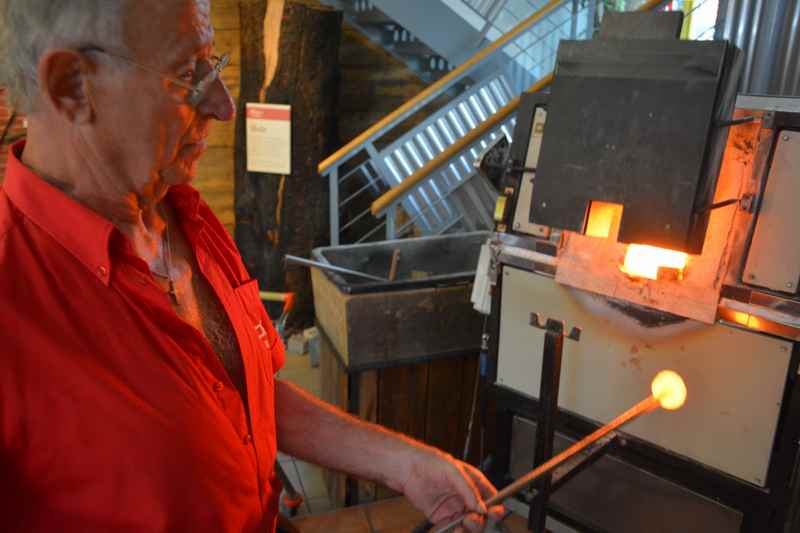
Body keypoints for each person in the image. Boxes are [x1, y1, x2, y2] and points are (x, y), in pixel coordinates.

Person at [0, 1, 504, 532]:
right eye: (188, 75)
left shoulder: (185, 216)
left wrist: (403, 464)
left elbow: (245, 394)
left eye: (212, 66)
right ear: (72, 87)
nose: (223, 106)